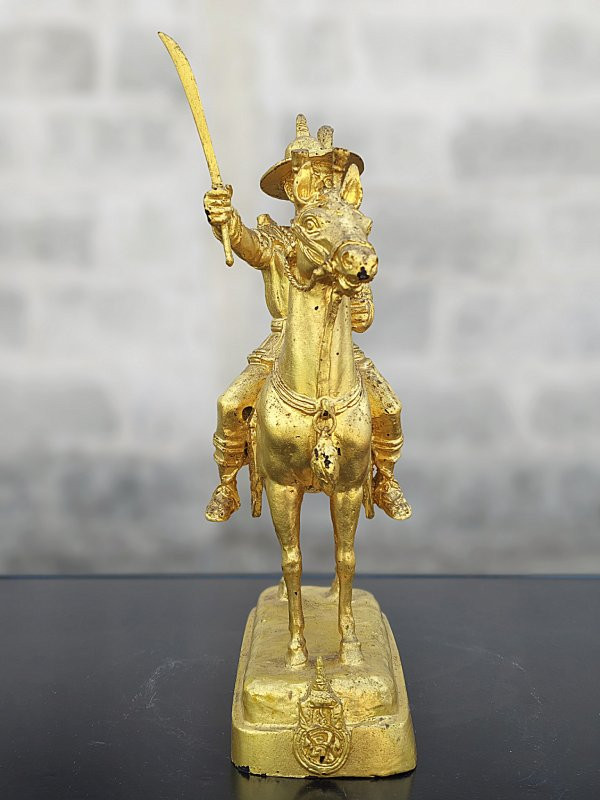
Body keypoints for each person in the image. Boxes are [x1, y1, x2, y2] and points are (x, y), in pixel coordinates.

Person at [203, 115, 411, 524]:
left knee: (389, 406)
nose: (317, 185)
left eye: (324, 177)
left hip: (338, 348)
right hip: (282, 345)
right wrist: (225, 219)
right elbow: (246, 243)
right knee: (231, 404)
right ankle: (227, 484)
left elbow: (362, 317)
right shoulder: (278, 239)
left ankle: (385, 479)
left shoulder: (343, 238)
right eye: (307, 178)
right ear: (291, 189)